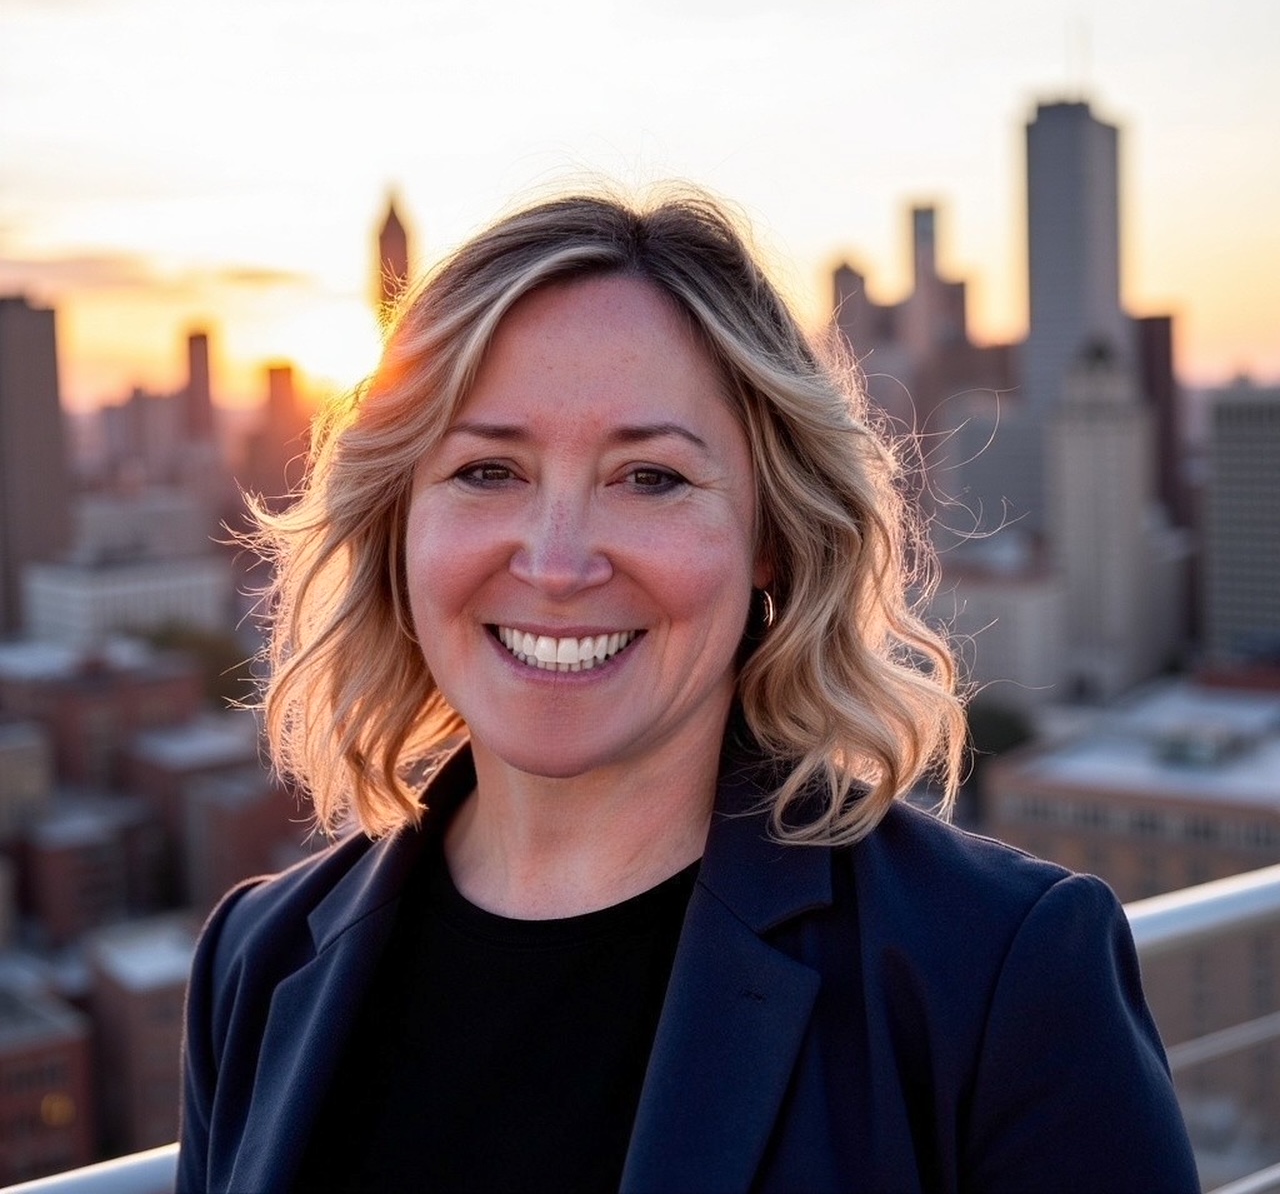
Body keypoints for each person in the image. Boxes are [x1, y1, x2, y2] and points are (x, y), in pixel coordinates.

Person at [178, 189, 1198, 1193]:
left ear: (768, 535)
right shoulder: (255, 963)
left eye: (651, 477)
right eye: (488, 470)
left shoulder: (999, 974)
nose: (558, 561)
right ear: (397, 525)